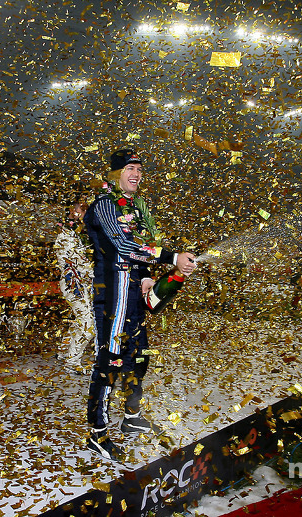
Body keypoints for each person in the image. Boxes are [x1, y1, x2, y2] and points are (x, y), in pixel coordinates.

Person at [83, 148, 196, 460]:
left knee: (139, 356)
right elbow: (124, 245)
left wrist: (147, 276)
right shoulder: (104, 204)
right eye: (129, 168)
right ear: (114, 174)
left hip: (133, 293)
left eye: (139, 169)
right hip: (113, 296)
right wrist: (172, 257)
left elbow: (142, 248)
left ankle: (131, 417)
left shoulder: (135, 208)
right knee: (111, 361)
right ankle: (97, 432)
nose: (136, 174)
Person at [54, 200, 95, 374]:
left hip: (81, 284)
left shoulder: (75, 233)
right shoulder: (65, 235)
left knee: (82, 319)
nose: (85, 212)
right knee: (88, 324)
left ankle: (64, 351)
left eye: (87, 209)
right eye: (82, 209)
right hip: (74, 285)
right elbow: (80, 265)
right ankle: (72, 362)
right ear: (72, 210)